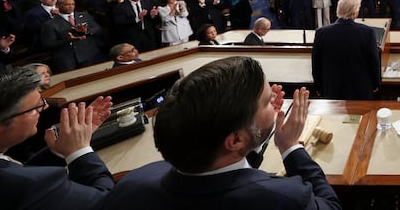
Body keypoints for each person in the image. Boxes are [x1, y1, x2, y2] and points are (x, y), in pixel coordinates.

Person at [101, 57, 342, 210]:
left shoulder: (132, 184)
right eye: (269, 102)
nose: (276, 105)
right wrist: (290, 147)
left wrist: (256, 133)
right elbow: (330, 205)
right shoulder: (286, 198)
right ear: (235, 139)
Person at [0, 68, 114, 209]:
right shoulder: (32, 186)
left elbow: (14, 171)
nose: (44, 107)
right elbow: (109, 202)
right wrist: (80, 151)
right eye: (35, 107)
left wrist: (59, 150)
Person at [311, 0, 380, 100]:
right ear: (355, 12)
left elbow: (316, 64)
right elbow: (373, 62)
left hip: (331, 89)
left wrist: (318, 87)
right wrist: (376, 84)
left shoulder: (321, 33)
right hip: (360, 90)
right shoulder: (367, 32)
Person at [40, 0, 105, 74]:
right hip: (66, 58)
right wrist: (69, 40)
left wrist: (87, 31)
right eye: (67, 4)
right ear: (58, 6)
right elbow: (48, 44)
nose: (71, 6)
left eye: (73, 4)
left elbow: (98, 29)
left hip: (88, 54)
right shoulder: (50, 24)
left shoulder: (84, 15)